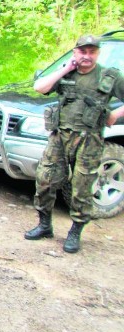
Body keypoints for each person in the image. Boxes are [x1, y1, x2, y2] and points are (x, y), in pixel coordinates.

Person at [25, 34, 124, 253]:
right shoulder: (66, 73)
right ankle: (44, 225)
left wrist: (115, 116)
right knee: (45, 180)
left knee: (81, 187)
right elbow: (39, 88)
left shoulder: (110, 76)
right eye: (83, 51)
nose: (87, 56)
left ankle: (75, 232)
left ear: (97, 53)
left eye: (92, 52)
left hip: (90, 140)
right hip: (60, 136)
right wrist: (64, 69)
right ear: (76, 52)